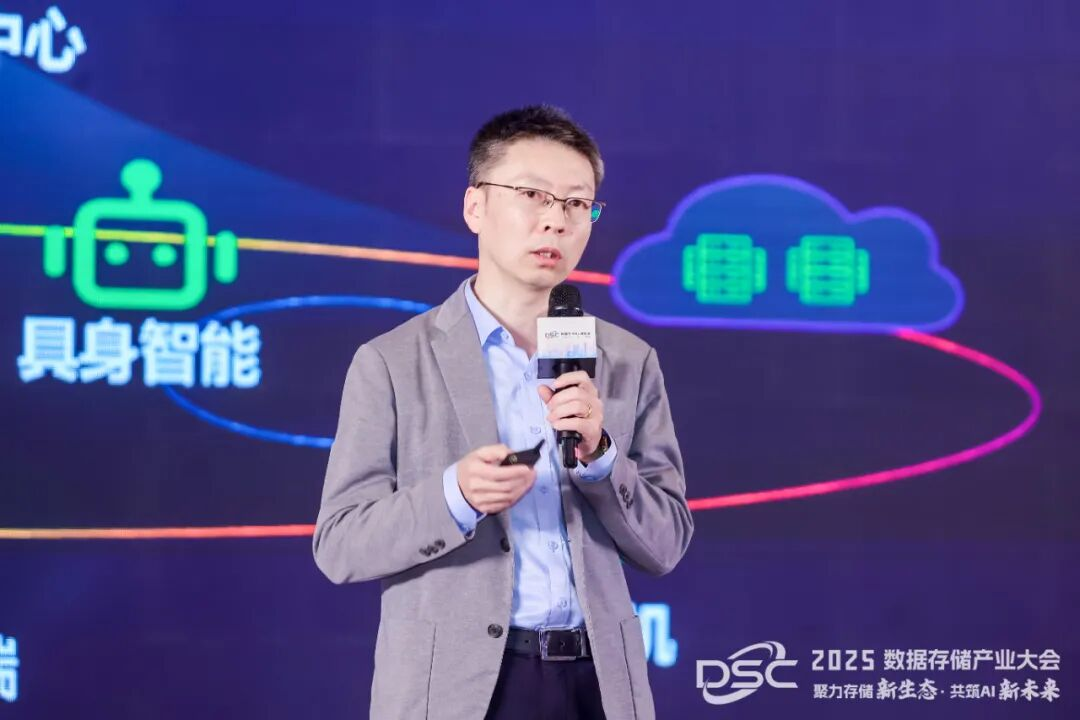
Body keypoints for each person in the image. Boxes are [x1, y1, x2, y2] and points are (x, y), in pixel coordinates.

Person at [313, 105, 693, 720]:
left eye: (577, 203)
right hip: (459, 691)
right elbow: (341, 545)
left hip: (598, 684)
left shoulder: (627, 360)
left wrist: (600, 458)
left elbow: (667, 542)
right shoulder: (391, 362)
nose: (556, 220)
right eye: (533, 195)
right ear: (475, 207)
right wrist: (457, 496)